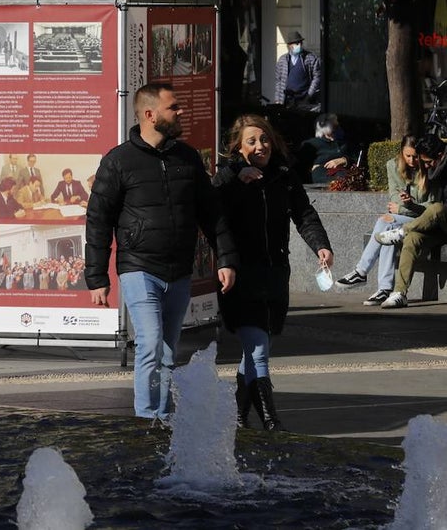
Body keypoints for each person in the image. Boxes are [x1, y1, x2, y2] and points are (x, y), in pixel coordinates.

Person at [85, 82, 238, 420]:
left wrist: (225, 259)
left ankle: (163, 419)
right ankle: (145, 420)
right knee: (151, 343)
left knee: (168, 351)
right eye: (174, 107)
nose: (181, 112)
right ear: (150, 115)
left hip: (178, 270)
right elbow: (98, 221)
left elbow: (211, 212)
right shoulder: (118, 161)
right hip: (139, 268)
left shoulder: (187, 158)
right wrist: (97, 277)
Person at [213, 114, 332, 430]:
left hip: (275, 273)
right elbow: (212, 208)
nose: (260, 146)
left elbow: (304, 214)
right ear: (238, 147)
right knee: (259, 351)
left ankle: (238, 417)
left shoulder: (283, 175)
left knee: (254, 351)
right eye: (251, 141)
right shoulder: (227, 177)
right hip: (241, 275)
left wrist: (321, 245)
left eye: (264, 139)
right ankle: (270, 421)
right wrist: (235, 177)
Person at [336, 136, 436, 305]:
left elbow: (432, 207)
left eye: (415, 156)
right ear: (401, 153)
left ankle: (364, 273)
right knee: (386, 227)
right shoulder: (393, 166)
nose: (412, 160)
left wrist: (407, 206)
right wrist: (405, 206)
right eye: (408, 156)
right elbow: (394, 198)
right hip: (402, 217)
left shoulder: (428, 168)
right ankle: (382, 288)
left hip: (423, 219)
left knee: (385, 222)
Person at [374, 135, 447, 309]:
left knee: (437, 207)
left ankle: (402, 231)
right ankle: (399, 293)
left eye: (428, 162)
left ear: (440, 155)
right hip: (438, 228)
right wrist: (410, 205)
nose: (426, 167)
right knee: (412, 238)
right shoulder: (436, 169)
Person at [273, 31, 321, 112]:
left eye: (300, 42)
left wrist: (308, 96)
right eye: (296, 43)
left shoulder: (310, 58)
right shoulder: (282, 60)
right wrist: (278, 100)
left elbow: (317, 78)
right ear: (289, 45)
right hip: (287, 100)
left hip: (305, 100)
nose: (299, 45)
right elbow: (278, 81)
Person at [295, 113, 350, 185]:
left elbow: (357, 159)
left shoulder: (344, 144)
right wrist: (311, 169)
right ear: (322, 126)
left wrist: (344, 160)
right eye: (334, 125)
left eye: (337, 126)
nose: (336, 128)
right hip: (323, 176)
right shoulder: (312, 144)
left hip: (343, 174)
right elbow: (300, 165)